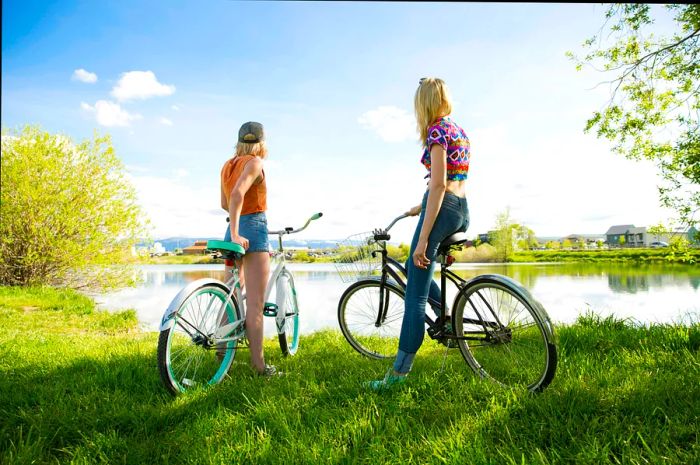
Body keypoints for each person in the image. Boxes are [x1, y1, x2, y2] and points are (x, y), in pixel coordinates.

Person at [367, 77, 470, 390]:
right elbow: (450, 179)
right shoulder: (458, 130)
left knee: (414, 298)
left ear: (423, 104)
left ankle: (397, 376)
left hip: (442, 207)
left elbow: (438, 185)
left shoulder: (436, 130)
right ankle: (448, 320)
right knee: (416, 272)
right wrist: (420, 205)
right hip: (462, 209)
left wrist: (423, 238)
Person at [220, 121, 277, 377]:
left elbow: (225, 202)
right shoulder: (255, 162)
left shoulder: (228, 165)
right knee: (255, 303)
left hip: (232, 230)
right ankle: (259, 366)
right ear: (262, 143)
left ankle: (221, 351)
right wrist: (238, 232)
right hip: (251, 230)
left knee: (229, 296)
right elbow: (236, 195)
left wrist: (233, 229)